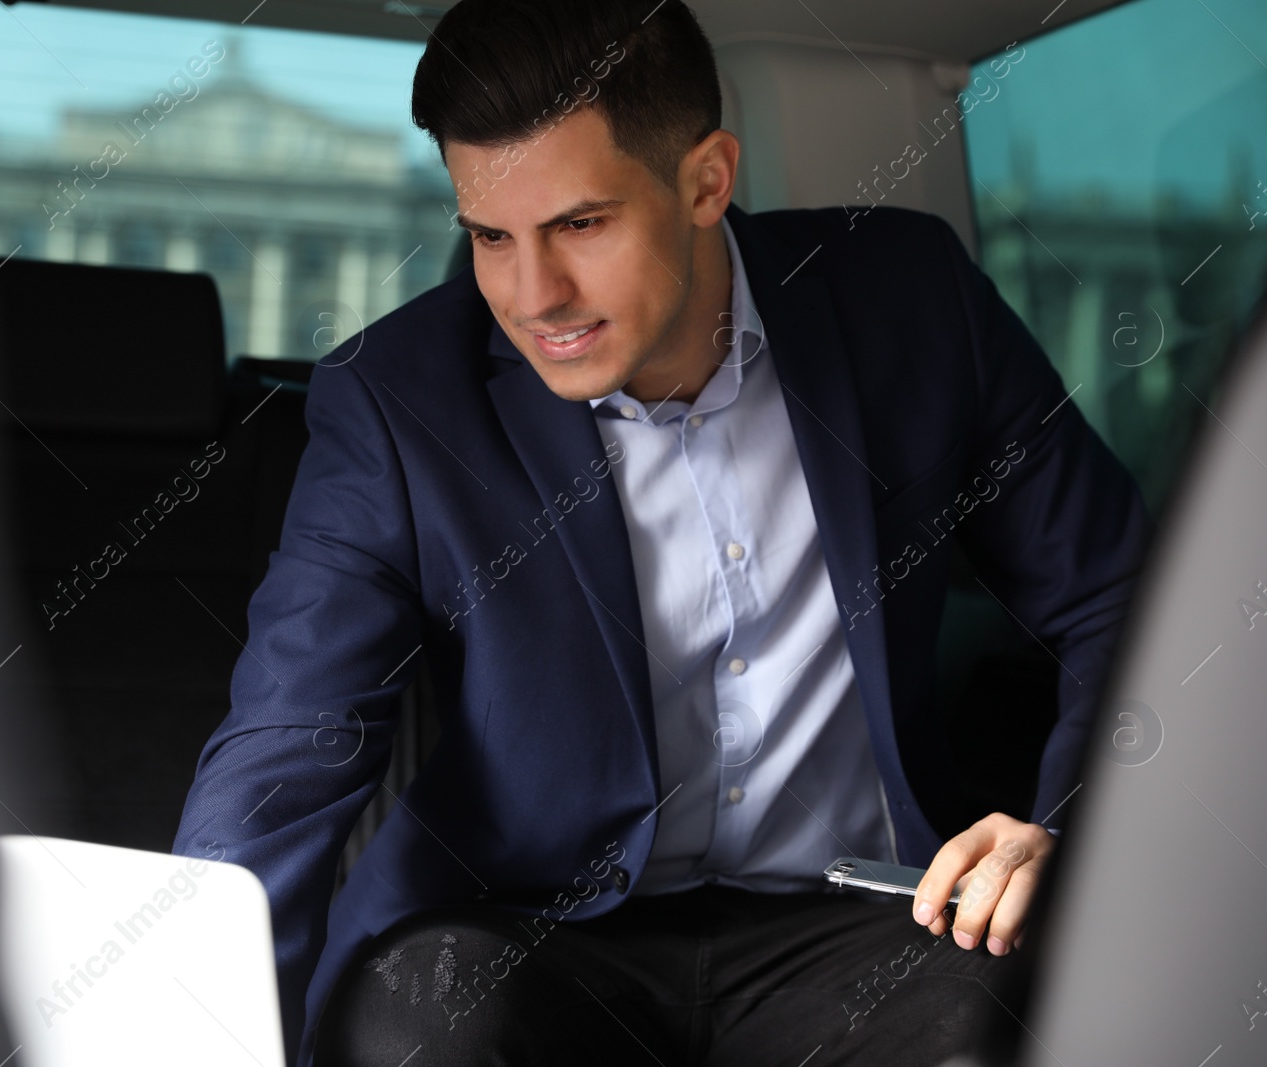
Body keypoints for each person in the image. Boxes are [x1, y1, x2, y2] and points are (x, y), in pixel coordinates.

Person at [173, 1, 1149, 1063]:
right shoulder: (398, 400)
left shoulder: (910, 300)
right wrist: (183, 1027)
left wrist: (1072, 830)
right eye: (490, 236)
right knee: (421, 1021)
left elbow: (1123, 600)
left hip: (864, 921)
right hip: (526, 932)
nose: (532, 293)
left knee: (1007, 1019)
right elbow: (290, 738)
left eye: (580, 225)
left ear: (705, 180)